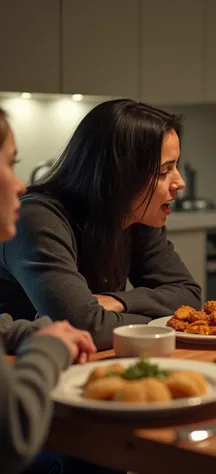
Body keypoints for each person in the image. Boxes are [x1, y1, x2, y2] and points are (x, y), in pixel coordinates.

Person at [0, 99, 201, 350]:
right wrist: (166, 320)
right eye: (163, 171)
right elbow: (85, 327)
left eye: (176, 166)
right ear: (119, 175)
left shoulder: (138, 214)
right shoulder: (37, 220)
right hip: (24, 374)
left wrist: (118, 301)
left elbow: (190, 298)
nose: (179, 182)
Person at [0, 107, 98, 473]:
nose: (20, 184)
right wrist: (46, 348)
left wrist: (30, 332)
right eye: (10, 164)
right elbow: (13, 437)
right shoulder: (39, 216)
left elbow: (187, 291)